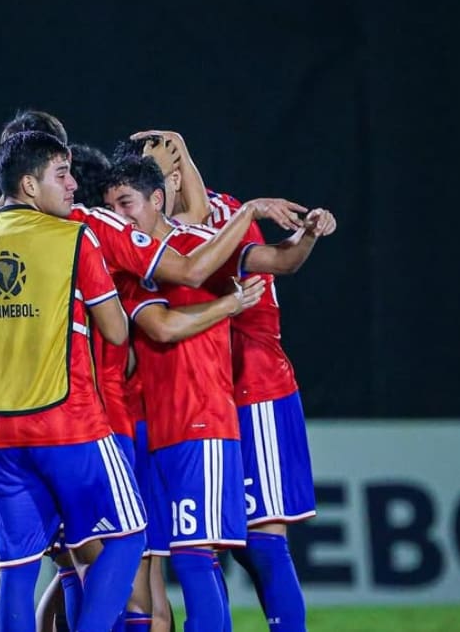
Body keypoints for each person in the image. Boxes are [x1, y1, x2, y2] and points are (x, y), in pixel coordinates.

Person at [0, 130, 147, 632]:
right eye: (61, 174)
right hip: (70, 424)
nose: (73, 186)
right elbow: (116, 331)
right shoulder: (73, 239)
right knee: (129, 536)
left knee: (13, 567)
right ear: (29, 184)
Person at [140, 129, 338, 631]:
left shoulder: (221, 217)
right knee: (202, 547)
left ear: (177, 177)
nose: (145, 186)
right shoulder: (145, 229)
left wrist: (308, 234)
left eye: (157, 170)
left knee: (262, 545)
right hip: (197, 401)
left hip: (254, 389)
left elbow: (280, 259)